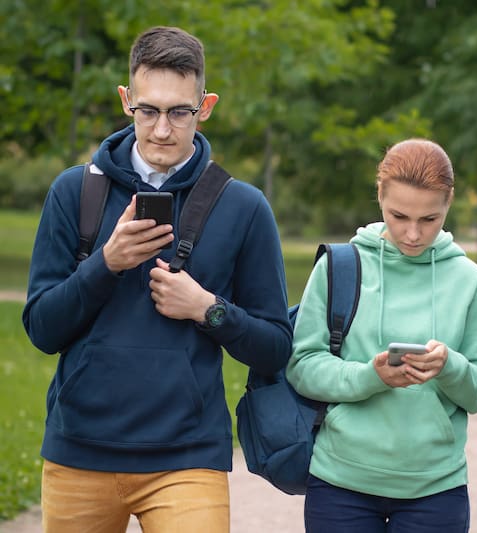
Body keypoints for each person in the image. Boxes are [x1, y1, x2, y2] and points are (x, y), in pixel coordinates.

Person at [22, 26, 292, 533]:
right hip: (79, 450)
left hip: (188, 457)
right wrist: (107, 263)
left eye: (179, 112)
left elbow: (275, 347)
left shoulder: (245, 207)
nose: (162, 130)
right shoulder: (74, 192)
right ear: (126, 100)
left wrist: (208, 309)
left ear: (205, 106)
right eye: (148, 110)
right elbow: (41, 328)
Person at [286, 138, 477, 532]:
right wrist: (372, 376)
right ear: (380, 194)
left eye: (430, 219)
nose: (414, 234)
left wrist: (449, 366)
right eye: (399, 216)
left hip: (435, 488)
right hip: (340, 483)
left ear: (449, 202)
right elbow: (302, 368)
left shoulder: (469, 281)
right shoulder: (339, 266)